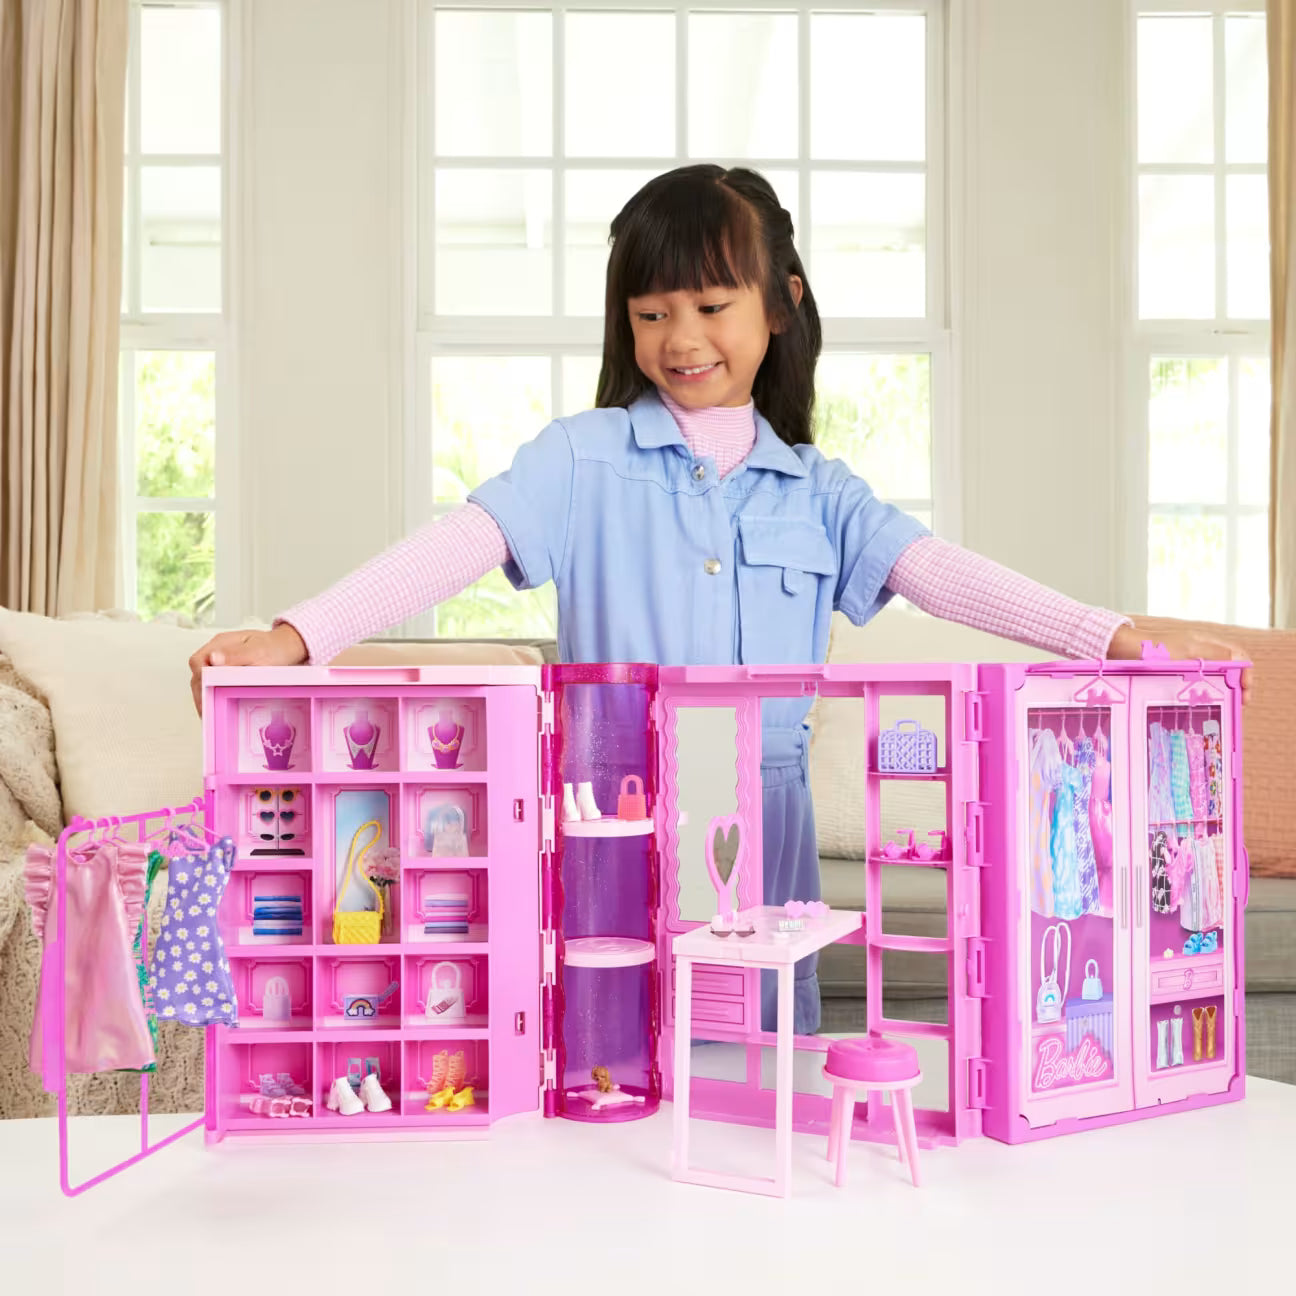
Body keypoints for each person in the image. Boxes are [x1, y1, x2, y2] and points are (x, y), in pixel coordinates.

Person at [189, 165, 1248, 1034]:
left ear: (780, 305)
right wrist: (298, 635)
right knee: (616, 1044)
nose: (680, 337)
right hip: (616, 805)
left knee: (762, 1053)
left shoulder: (821, 492)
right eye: (651, 312)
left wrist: (1107, 632)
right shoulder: (580, 459)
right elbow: (456, 545)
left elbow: (938, 570)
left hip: (769, 812)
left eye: (709, 305)